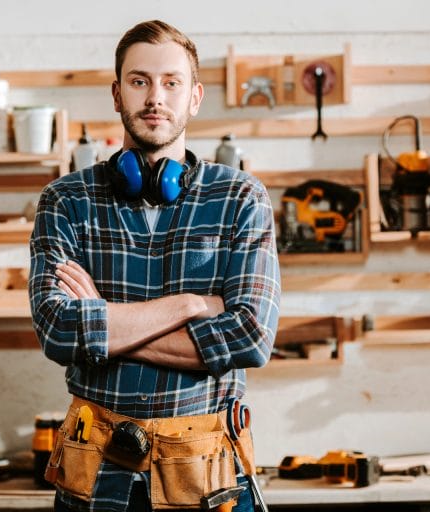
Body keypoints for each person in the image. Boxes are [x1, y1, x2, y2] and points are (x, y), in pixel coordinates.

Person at [28, 19, 281, 512]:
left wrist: (102, 319)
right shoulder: (66, 200)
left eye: (171, 82)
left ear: (195, 96)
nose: (154, 98)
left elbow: (251, 338)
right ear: (117, 93)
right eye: (139, 81)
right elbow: (59, 333)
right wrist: (190, 305)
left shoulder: (240, 198)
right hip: (96, 480)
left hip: (208, 481)